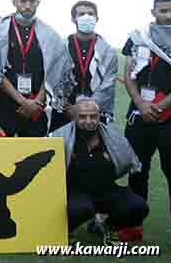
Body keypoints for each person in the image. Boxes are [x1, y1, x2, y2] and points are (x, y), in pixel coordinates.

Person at [121, 0, 171, 251]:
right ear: (153, 11)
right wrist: (141, 103)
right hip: (140, 115)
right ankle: (133, 225)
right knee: (137, 171)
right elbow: (128, 72)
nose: (168, 15)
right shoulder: (138, 36)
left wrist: (160, 106)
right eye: (163, 10)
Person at [53, 99, 148, 245]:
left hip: (106, 190)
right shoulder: (60, 137)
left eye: (93, 116)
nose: (89, 121)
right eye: (83, 117)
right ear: (74, 117)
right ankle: (65, 231)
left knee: (138, 206)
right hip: (75, 192)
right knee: (81, 209)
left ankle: (110, 227)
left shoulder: (113, 138)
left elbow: (127, 162)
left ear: (99, 116)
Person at [0, 0, 72, 138]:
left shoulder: (49, 33)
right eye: (23, 1)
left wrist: (37, 101)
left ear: (38, 3)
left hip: (37, 104)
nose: (27, 6)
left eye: (32, 2)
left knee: (35, 153)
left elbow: (54, 71)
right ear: (14, 3)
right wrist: (22, 101)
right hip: (6, 102)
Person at [62, 1, 118, 129]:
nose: (87, 17)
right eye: (81, 14)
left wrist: (85, 108)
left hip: (95, 113)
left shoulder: (108, 51)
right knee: (63, 147)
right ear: (73, 18)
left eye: (91, 14)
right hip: (65, 111)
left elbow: (108, 85)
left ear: (97, 19)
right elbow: (55, 80)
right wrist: (67, 106)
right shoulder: (62, 47)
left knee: (93, 148)